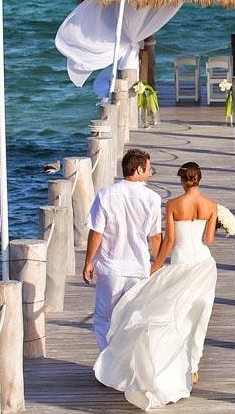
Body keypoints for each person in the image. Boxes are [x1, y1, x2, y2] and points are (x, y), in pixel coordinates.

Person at [94, 161, 218, 410]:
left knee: (175, 315)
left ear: (182, 181)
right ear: (200, 179)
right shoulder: (211, 206)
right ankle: (193, 367)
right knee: (199, 316)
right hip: (204, 265)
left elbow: (169, 240)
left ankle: (171, 366)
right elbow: (209, 239)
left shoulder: (173, 205)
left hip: (181, 264)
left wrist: (156, 266)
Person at [83, 148, 162, 352]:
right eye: (148, 168)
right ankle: (129, 366)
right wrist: (158, 264)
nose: (150, 172)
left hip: (110, 267)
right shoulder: (152, 197)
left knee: (104, 319)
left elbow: (96, 232)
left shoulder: (106, 194)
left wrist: (88, 262)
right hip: (139, 268)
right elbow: (155, 236)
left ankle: (108, 365)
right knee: (135, 320)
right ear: (137, 170)